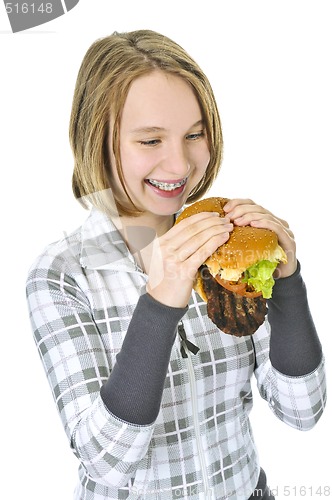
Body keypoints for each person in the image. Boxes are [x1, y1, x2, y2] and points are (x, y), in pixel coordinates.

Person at [26, 29, 326, 500]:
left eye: (195, 134)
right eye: (149, 140)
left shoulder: (229, 248)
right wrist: (162, 299)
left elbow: (303, 410)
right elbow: (104, 463)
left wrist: (287, 279)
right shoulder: (62, 274)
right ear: (97, 141)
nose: (180, 164)